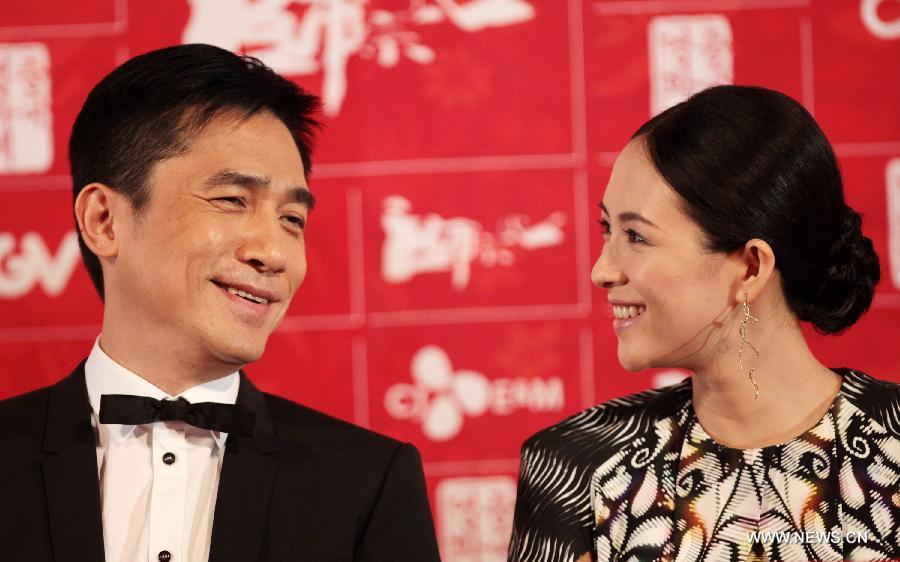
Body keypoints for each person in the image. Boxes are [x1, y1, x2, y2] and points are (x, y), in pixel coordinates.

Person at [0, 44, 440, 562]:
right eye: (233, 201)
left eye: (292, 220)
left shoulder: (367, 482)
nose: (273, 252)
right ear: (104, 220)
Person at [506, 85, 899, 562]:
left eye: (636, 236)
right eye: (608, 229)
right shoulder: (576, 467)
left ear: (751, 268)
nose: (602, 270)